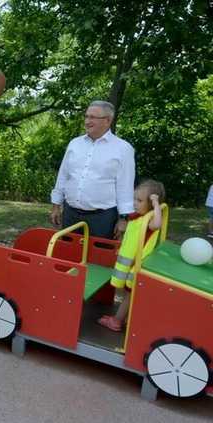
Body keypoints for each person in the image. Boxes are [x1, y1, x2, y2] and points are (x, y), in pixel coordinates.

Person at [50, 101, 135, 239]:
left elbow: (125, 186)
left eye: (93, 117)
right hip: (70, 215)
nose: (87, 121)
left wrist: (123, 218)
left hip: (103, 219)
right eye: (86, 116)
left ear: (108, 120)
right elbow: (63, 176)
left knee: (98, 258)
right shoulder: (74, 144)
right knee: (67, 255)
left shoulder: (123, 149)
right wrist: (56, 206)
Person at [98, 180, 165, 332]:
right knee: (128, 294)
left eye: (139, 201)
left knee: (129, 295)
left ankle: (117, 321)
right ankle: (123, 317)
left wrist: (155, 205)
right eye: (134, 199)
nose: (134, 203)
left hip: (136, 267)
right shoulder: (138, 217)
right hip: (130, 265)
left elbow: (158, 224)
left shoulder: (149, 220)